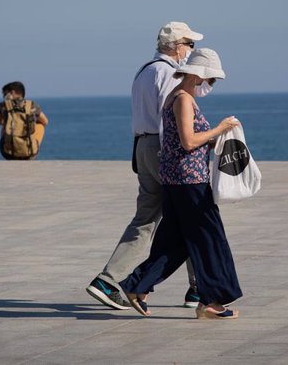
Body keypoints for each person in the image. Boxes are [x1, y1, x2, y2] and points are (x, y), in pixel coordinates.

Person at [86, 22, 204, 310]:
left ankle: (109, 279)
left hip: (143, 146)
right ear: (177, 46)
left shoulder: (145, 70)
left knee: (149, 219)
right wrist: (175, 158)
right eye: (189, 44)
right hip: (162, 149)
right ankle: (198, 289)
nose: (191, 50)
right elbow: (171, 117)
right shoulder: (167, 73)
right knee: (190, 214)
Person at [120, 48, 243, 319]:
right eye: (210, 79)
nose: (210, 84)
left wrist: (213, 138)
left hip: (176, 178)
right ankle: (211, 301)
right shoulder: (184, 99)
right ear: (198, 75)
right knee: (210, 238)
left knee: (175, 241)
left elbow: (181, 140)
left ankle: (135, 286)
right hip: (190, 181)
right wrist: (220, 129)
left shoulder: (176, 96)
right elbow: (188, 141)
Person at [0, 81, 49, 160]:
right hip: (28, 153)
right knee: (40, 126)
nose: (4, 96)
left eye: (5, 94)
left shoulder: (3, 105)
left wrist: (12, 123)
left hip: (8, 154)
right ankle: (31, 150)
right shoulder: (31, 105)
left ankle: (9, 148)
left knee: (5, 126)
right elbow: (45, 121)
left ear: (12, 93)